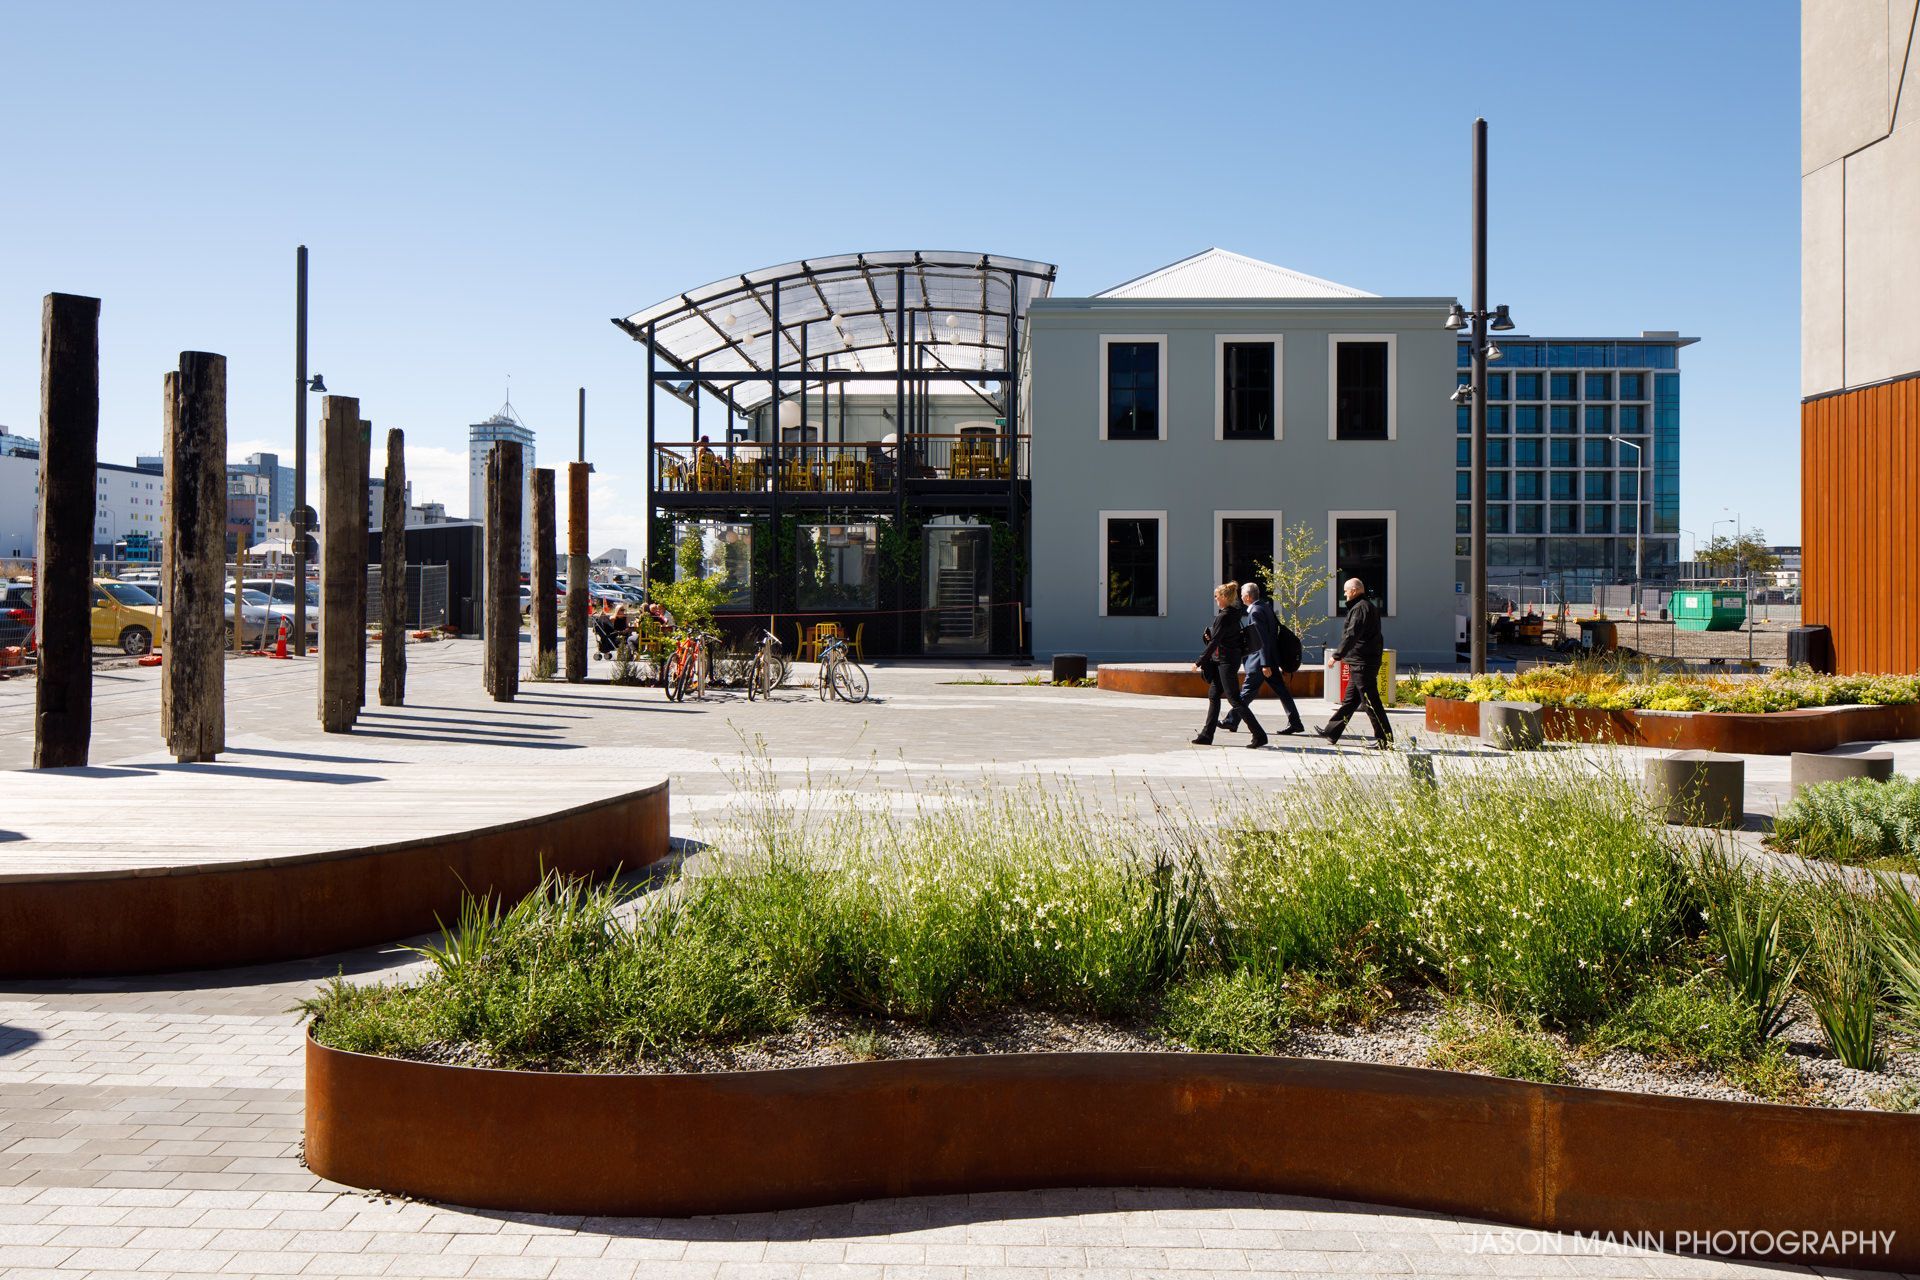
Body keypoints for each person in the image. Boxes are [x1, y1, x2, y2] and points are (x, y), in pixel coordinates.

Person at [1220, 581, 1305, 736]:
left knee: (1247, 692)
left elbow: (1262, 639)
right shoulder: (1265, 607)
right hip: (1270, 659)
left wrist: (1265, 664)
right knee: (1281, 691)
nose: (1241, 598)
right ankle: (1295, 722)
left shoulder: (1255, 612)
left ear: (1247, 597)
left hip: (1260, 662)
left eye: (1242, 595)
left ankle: (1231, 720)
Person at [1317, 577, 1393, 749]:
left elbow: (1352, 635)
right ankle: (1332, 731)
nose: (1344, 594)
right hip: (1362, 660)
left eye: (1346, 591)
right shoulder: (1366, 606)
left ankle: (1385, 740)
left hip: (1362, 662)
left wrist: (1337, 656)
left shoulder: (1360, 608)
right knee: (1350, 701)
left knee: (1370, 702)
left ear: (1354, 590)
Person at [1191, 581, 1267, 749]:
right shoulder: (1233, 613)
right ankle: (1206, 735)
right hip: (1227, 659)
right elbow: (1223, 638)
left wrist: (1199, 661)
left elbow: (1215, 642)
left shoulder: (1224, 616)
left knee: (1234, 699)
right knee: (1214, 694)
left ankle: (1259, 735)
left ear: (1224, 597)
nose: (1215, 599)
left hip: (1226, 661)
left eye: (1217, 596)